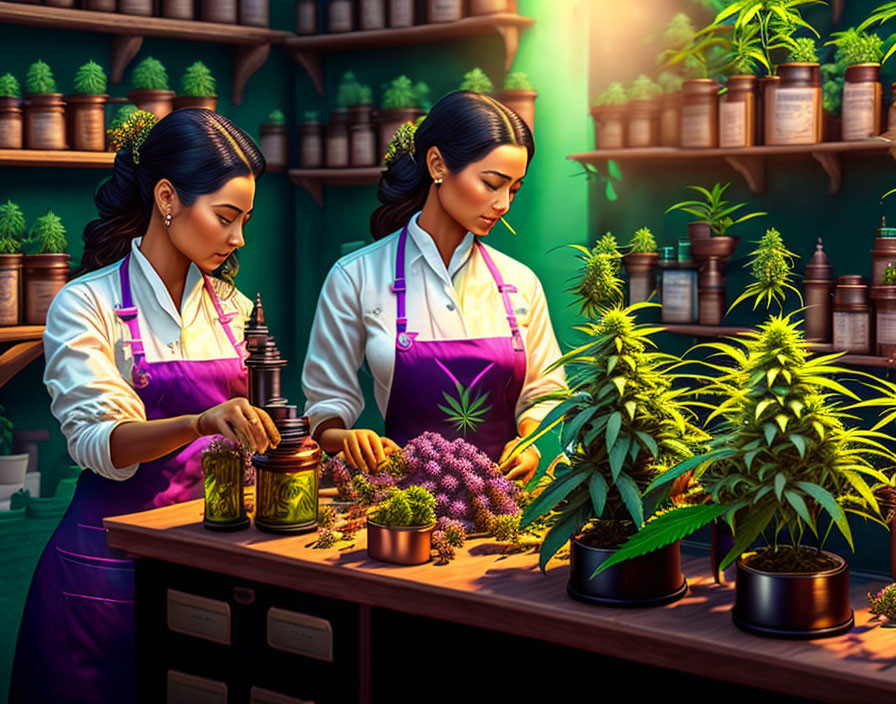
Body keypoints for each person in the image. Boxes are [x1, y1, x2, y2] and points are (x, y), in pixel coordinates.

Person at [9, 108, 280, 704]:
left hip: (208, 559)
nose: (238, 239)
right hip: (105, 575)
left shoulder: (233, 309)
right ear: (166, 197)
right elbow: (99, 444)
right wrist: (198, 422)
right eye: (226, 217)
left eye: (245, 220)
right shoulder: (87, 305)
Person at [302, 91, 565, 480]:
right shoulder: (356, 276)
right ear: (438, 164)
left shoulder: (519, 283)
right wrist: (345, 437)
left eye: (514, 189)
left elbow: (545, 391)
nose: (504, 203)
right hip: (401, 507)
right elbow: (326, 402)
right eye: (492, 183)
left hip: (504, 499)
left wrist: (528, 441)